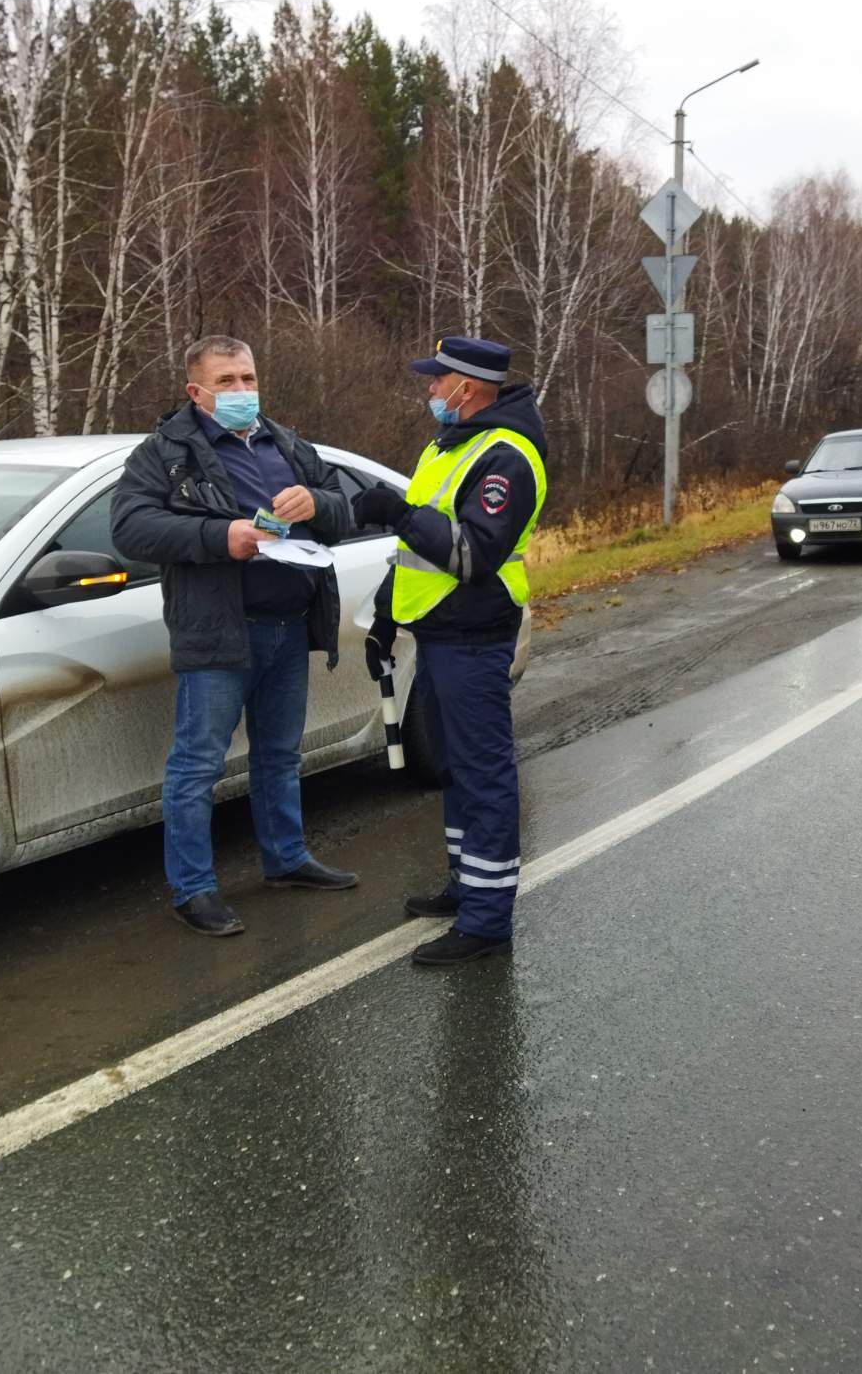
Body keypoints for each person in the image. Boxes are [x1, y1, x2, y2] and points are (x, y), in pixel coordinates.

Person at [111, 335, 358, 938]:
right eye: (226, 382)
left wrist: (317, 502)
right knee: (197, 767)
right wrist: (221, 538)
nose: (242, 392)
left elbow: (345, 511)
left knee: (279, 755)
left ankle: (287, 858)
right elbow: (131, 527)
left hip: (290, 625)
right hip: (219, 632)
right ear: (196, 392)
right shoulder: (164, 453)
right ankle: (193, 890)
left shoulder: (285, 442)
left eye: (248, 378)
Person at [351, 336, 549, 967]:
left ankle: (488, 921)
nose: (430, 390)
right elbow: (415, 556)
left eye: (438, 381)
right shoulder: (447, 446)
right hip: (437, 633)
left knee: (485, 774)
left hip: (475, 634)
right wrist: (385, 617)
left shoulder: (507, 454)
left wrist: (397, 514)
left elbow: (471, 554)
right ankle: (467, 885)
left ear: (467, 387)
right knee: (456, 771)